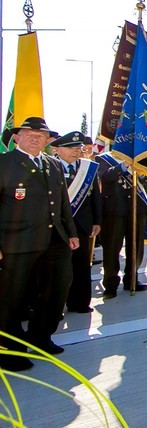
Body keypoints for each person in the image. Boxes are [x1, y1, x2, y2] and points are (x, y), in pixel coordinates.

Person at [0, 117, 79, 371]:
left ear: (47, 140)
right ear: (17, 137)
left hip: (54, 240)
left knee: (57, 289)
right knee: (12, 299)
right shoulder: (4, 163)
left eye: (40, 135)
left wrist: (71, 232)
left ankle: (41, 337)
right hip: (17, 242)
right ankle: (10, 350)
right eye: (29, 134)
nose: (35, 138)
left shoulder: (52, 164)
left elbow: (63, 202)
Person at [51, 131, 102, 313]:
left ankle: (80, 303)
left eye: (78, 147)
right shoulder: (51, 167)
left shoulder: (88, 168)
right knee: (58, 269)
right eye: (70, 147)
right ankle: (55, 307)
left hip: (82, 225)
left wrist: (97, 221)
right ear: (57, 149)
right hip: (58, 226)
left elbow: (96, 197)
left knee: (81, 266)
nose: (75, 151)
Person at [100, 160, 147, 297]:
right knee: (112, 249)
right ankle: (110, 284)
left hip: (137, 209)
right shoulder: (104, 159)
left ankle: (131, 279)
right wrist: (124, 165)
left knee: (136, 248)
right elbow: (105, 176)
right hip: (115, 211)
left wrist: (141, 174)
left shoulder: (139, 158)